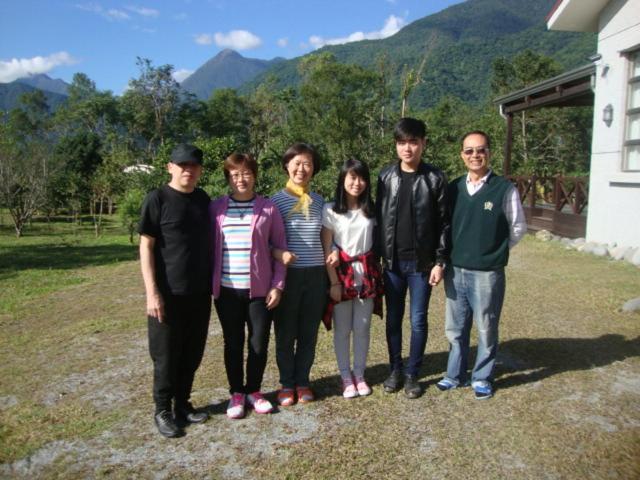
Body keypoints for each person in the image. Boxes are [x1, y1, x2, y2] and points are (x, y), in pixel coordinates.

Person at [436, 130, 526, 400]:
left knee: (486, 326)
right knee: (455, 327)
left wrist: (495, 250)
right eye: (469, 150)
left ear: (489, 153)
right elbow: (445, 226)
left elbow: (518, 227)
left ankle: (482, 377)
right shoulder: (453, 188)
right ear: (462, 155)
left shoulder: (504, 189)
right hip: (456, 270)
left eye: (481, 150)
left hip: (488, 273)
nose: (475, 155)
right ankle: (454, 374)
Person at [138, 143, 212, 438]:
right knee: (166, 354)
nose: (188, 170)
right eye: (182, 165)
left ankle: (182, 403)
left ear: (200, 170)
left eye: (193, 165)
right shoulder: (157, 199)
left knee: (192, 351)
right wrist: (151, 292)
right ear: (170, 167)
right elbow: (146, 246)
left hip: (199, 292)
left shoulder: (203, 199)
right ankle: (162, 410)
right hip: (167, 294)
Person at [375, 117, 450, 399]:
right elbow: (379, 222)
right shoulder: (385, 177)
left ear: (423, 144)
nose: (408, 148)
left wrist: (440, 261)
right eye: (402, 142)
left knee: (418, 320)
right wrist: (377, 257)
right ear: (396, 145)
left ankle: (412, 374)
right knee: (393, 319)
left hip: (421, 265)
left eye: (413, 142)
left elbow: (445, 223)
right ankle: (395, 369)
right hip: (392, 265)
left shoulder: (435, 178)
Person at [210, 153, 289, 419]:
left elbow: (281, 248)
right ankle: (236, 393)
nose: (240, 179)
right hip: (227, 290)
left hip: (260, 292)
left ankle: (254, 391)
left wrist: (277, 285)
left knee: (258, 343)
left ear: (254, 176)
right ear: (228, 178)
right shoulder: (216, 208)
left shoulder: (268, 208)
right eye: (234, 174)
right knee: (233, 343)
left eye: (245, 173)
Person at [321, 158, 383, 399]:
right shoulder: (330, 209)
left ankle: (360, 374)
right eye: (352, 177)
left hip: (366, 274)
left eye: (361, 178)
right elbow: (327, 248)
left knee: (363, 328)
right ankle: (345, 376)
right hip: (341, 275)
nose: (357, 183)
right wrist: (334, 282)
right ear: (343, 180)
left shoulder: (371, 210)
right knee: (342, 329)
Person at [271, 142, 327, 406]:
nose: (301, 168)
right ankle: (286, 384)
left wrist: (335, 251)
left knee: (308, 333)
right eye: (296, 162)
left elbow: (328, 236)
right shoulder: (275, 202)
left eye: (307, 163)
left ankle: (303, 381)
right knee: (285, 333)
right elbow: (266, 242)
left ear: (314, 169)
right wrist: (279, 254)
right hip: (288, 277)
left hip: (316, 276)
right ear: (287, 165)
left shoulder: (319, 201)